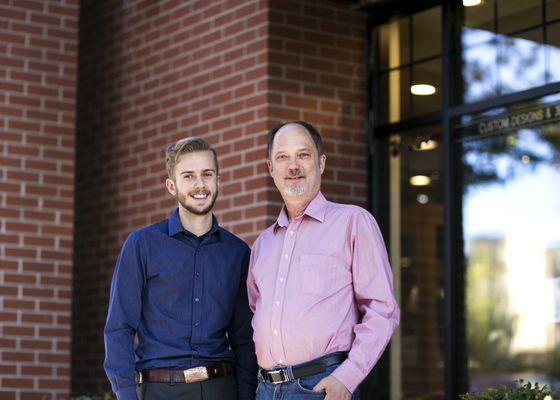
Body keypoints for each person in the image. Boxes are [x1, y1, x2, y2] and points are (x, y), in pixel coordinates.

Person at [247, 121, 400, 400]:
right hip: (265, 389)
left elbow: (382, 310)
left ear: (321, 163)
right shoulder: (262, 245)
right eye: (282, 157)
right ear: (271, 168)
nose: (293, 166)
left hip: (320, 388)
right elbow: (253, 314)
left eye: (303, 155)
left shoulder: (353, 223)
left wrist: (347, 377)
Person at [104, 137, 257, 400]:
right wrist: (126, 394)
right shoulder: (142, 245)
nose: (200, 184)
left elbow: (244, 338)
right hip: (159, 390)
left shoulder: (238, 253)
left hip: (221, 388)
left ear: (218, 180)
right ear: (171, 186)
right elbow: (119, 327)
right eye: (188, 176)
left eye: (207, 174)